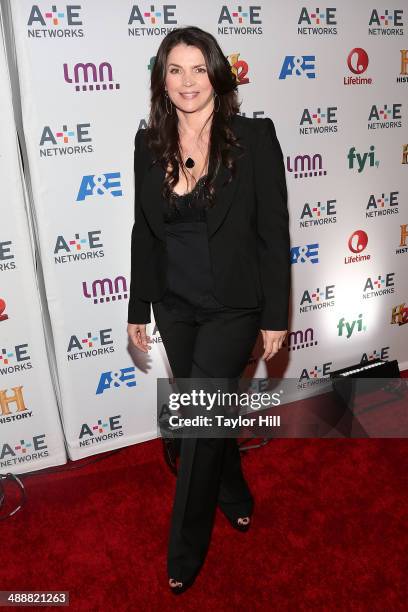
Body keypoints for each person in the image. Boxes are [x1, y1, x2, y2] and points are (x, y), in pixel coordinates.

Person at [127, 26, 290, 594]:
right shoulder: (150, 145)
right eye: (175, 69)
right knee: (211, 413)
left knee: (196, 423)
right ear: (162, 79)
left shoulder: (252, 137)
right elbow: (143, 235)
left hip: (233, 308)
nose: (187, 81)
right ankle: (235, 493)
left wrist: (275, 315)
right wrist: (138, 306)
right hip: (176, 307)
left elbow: (273, 232)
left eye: (198, 68)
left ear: (218, 74)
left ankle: (184, 551)